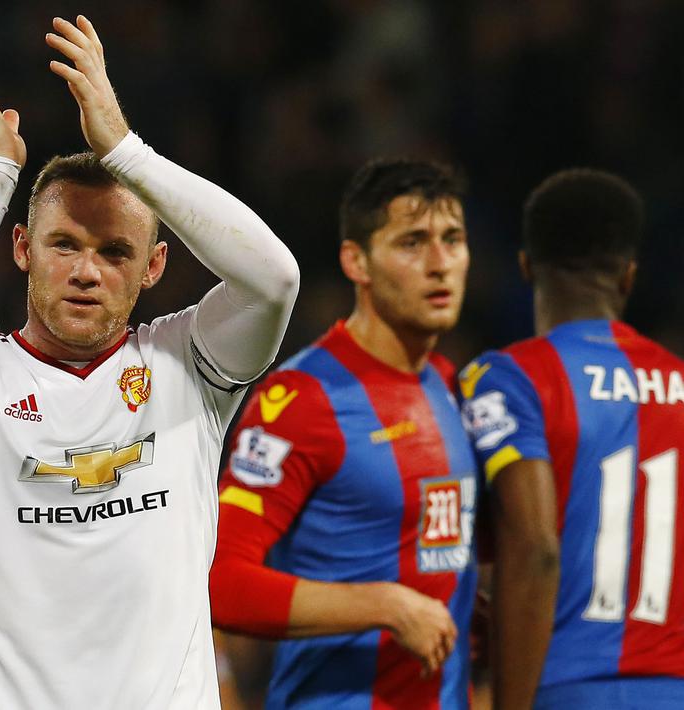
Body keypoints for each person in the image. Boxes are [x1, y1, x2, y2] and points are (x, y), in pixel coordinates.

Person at [0, 17, 298, 708]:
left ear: (153, 267)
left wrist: (125, 150)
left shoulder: (184, 368)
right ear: (20, 248)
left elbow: (274, 280)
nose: (86, 271)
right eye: (64, 245)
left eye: (114, 252)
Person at [209, 158, 477, 708]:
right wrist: (386, 605)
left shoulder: (448, 386)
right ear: (357, 261)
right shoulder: (304, 400)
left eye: (453, 239)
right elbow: (221, 585)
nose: (439, 263)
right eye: (412, 242)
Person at [461, 169, 684, 709]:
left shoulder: (509, 378)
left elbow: (535, 550)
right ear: (628, 277)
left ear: (525, 267)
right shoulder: (680, 382)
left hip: (565, 687)